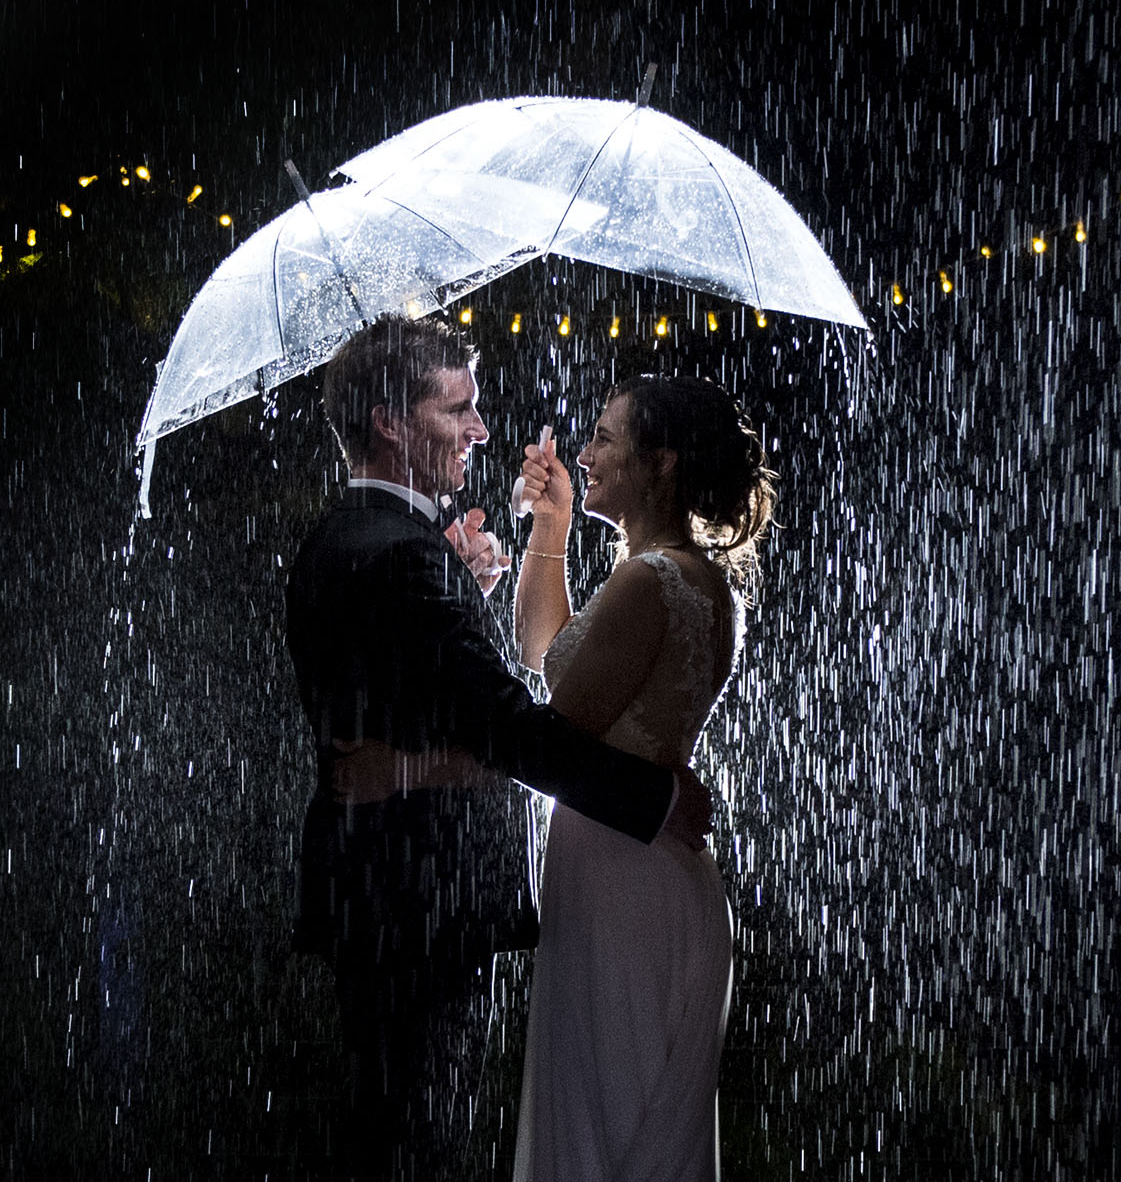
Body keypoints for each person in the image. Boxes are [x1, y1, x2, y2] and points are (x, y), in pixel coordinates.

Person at [285, 314, 710, 1179]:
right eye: (457, 410)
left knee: (401, 1131)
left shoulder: (354, 538)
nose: (480, 429)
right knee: (417, 1145)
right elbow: (509, 727)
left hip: (385, 894)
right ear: (391, 423)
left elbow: (415, 691)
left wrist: (460, 588)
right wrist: (656, 800)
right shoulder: (400, 556)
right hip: (422, 901)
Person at [509, 374, 773, 1182]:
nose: (583, 453)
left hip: (622, 877)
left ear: (659, 463)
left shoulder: (646, 582)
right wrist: (549, 528)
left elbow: (556, 726)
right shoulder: (689, 576)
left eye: (604, 439)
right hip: (651, 863)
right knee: (630, 1127)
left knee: (597, 1123)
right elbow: (548, 655)